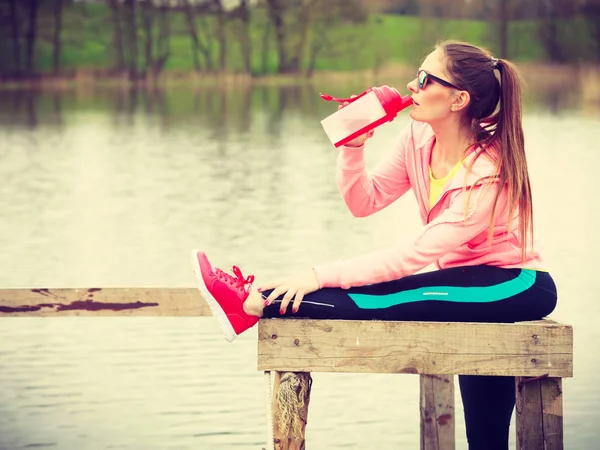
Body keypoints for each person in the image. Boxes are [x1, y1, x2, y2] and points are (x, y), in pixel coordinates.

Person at [190, 40, 557, 450]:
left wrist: (316, 275)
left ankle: (254, 302)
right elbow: (365, 201)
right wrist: (353, 147)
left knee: (394, 296)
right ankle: (253, 302)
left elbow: (412, 256)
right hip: (463, 285)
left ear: (459, 99)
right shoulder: (419, 136)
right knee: (486, 439)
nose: (410, 85)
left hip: (515, 284)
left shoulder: (487, 171)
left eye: (423, 79)